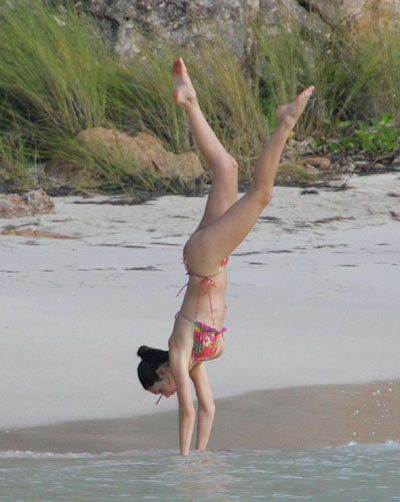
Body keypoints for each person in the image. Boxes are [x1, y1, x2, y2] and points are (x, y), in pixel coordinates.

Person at [137, 57, 314, 455]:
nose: (167, 393)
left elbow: (187, 410)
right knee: (227, 167)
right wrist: (201, 457)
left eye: (160, 390)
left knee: (261, 194)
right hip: (208, 259)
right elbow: (208, 409)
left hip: (205, 261)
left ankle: (286, 121)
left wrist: (182, 461)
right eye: (162, 394)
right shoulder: (194, 362)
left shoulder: (179, 352)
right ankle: (188, 99)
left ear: (162, 371)